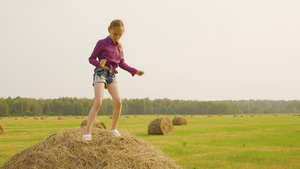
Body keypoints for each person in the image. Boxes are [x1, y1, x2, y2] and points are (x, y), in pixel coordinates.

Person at [82, 19, 144, 141]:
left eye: (120, 34)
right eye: (115, 34)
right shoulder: (101, 43)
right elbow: (91, 58)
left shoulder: (120, 46)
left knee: (118, 102)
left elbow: (122, 63)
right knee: (98, 102)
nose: (118, 37)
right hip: (100, 72)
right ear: (109, 30)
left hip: (112, 74)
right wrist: (99, 63)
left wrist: (135, 71)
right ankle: (87, 133)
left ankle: (113, 129)